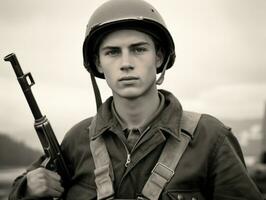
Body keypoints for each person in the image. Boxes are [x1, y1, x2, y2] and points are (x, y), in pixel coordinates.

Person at [9, 0, 264, 200]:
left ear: (159, 57)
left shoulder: (211, 138)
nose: (126, 63)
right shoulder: (77, 140)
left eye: (139, 49)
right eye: (112, 52)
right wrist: (28, 190)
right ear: (98, 63)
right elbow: (26, 188)